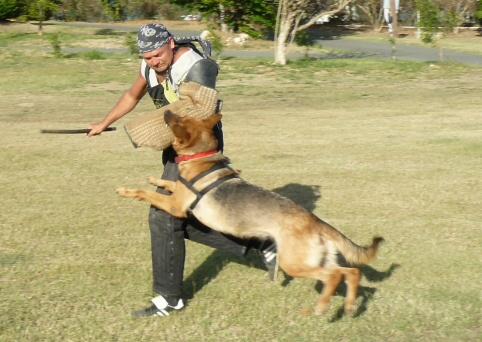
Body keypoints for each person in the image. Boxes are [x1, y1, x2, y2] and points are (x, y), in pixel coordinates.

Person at [88, 23, 278, 318]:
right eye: (148, 57)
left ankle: (169, 298)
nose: (154, 61)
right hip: (175, 142)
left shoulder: (194, 66)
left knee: (163, 216)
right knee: (179, 217)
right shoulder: (149, 65)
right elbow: (131, 95)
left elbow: (201, 111)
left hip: (199, 145)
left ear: (171, 43)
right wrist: (103, 122)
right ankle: (259, 242)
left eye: (158, 55)